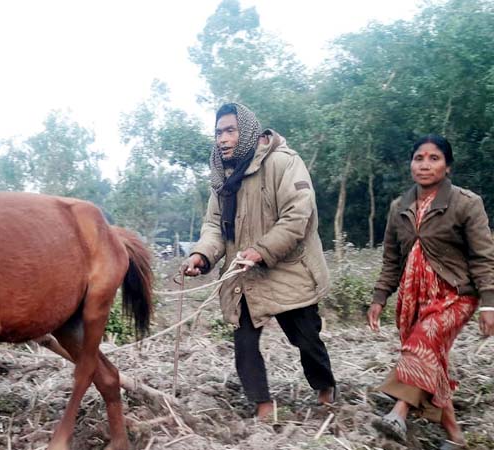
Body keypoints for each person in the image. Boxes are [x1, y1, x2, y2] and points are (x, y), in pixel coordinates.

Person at [181, 103, 335, 419]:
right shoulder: (222, 178)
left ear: (248, 132)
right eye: (218, 132)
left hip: (288, 270)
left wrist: (261, 251)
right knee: (245, 344)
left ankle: (325, 388)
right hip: (245, 277)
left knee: (306, 340)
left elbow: (297, 216)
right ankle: (264, 405)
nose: (222, 139)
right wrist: (201, 255)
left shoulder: (283, 163)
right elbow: (214, 227)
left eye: (230, 131)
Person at [368, 134, 494, 449]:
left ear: (447, 167)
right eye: (419, 158)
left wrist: (489, 303)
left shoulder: (466, 203)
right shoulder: (399, 207)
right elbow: (391, 259)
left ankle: (399, 411)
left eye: (434, 158)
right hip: (413, 298)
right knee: (430, 360)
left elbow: (483, 257)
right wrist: (379, 298)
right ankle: (456, 438)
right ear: (411, 164)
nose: (425, 165)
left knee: (423, 342)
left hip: (456, 295)